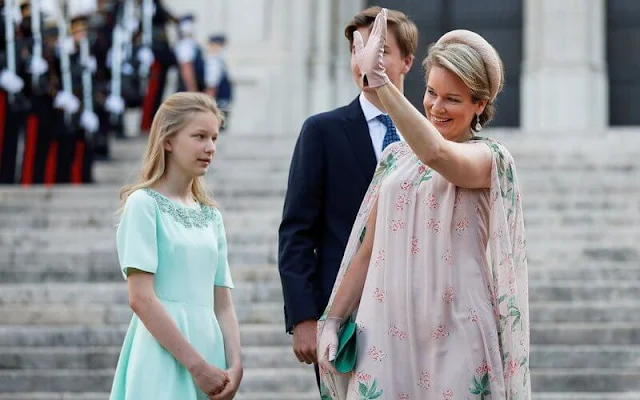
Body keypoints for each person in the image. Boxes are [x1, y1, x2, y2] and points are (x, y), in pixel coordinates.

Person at [318, 9, 530, 400]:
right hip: (384, 326)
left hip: (456, 328)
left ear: (480, 105)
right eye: (431, 92)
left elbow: (437, 154)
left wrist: (382, 86)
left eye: (452, 99)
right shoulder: (395, 159)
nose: (436, 107)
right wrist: (332, 319)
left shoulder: (490, 159)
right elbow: (367, 250)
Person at [277, 5, 418, 389]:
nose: (367, 59)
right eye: (358, 49)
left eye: (381, 49)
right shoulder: (322, 131)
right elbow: (296, 232)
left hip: (418, 311)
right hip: (344, 316)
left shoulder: (428, 138)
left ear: (406, 61)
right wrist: (304, 318)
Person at [110, 92, 243, 400]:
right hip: (162, 355)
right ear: (168, 140)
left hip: (210, 353)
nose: (210, 147)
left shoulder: (211, 215)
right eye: (199, 136)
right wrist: (196, 367)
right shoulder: (143, 204)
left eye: (214, 137)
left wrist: (235, 363)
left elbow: (222, 303)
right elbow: (140, 299)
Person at [204, 34, 233, 131]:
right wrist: (209, 106)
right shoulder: (213, 61)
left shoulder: (218, 60)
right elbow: (211, 86)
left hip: (222, 100)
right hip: (218, 101)